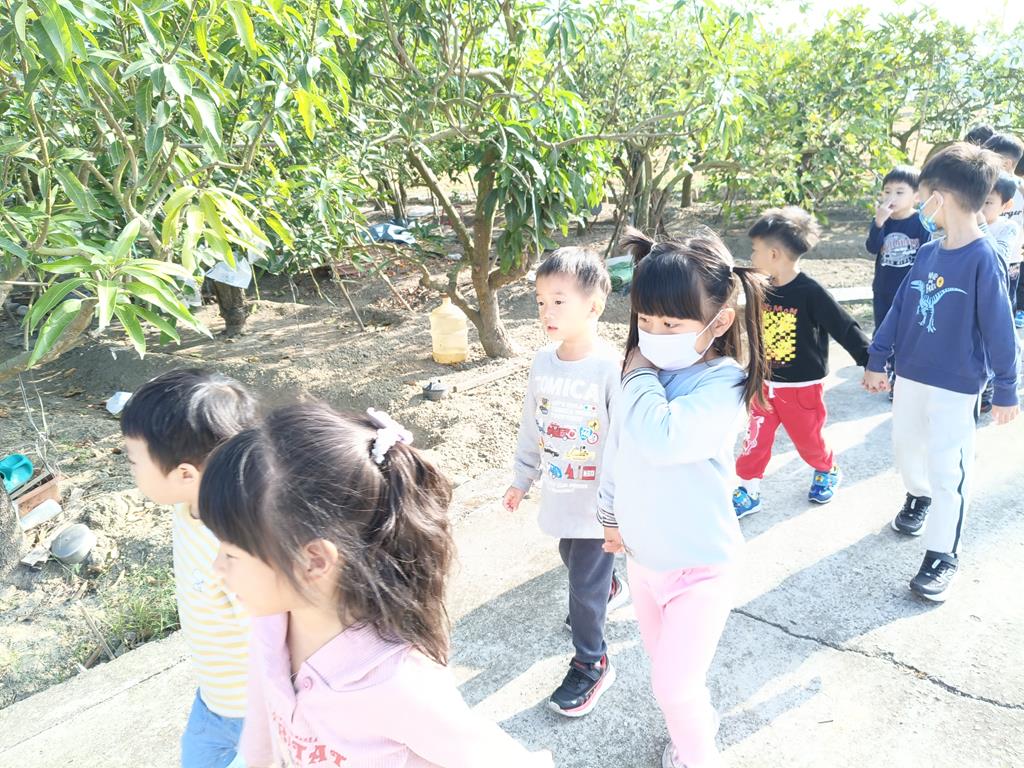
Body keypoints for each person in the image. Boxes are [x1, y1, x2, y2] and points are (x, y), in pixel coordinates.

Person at [199, 403, 553, 767]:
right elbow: (262, 724)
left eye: (231, 554)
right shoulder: (271, 622)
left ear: (314, 561)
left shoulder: (399, 684)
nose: (216, 568)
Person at [598, 227, 769, 768]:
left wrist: (638, 376)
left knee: (673, 685)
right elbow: (618, 447)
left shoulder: (722, 383)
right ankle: (693, 727)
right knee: (670, 679)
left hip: (701, 568)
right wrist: (609, 514)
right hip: (645, 563)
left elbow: (662, 438)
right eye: (645, 320)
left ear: (720, 321)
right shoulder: (642, 376)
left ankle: (700, 754)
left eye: (671, 324)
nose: (653, 334)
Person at [863, 142, 1020, 602]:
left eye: (923, 196)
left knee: (948, 467)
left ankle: (941, 554)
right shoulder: (929, 252)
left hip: (956, 384)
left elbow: (1000, 328)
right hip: (911, 375)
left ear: (939, 198)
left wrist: (1006, 388)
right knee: (906, 448)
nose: (920, 205)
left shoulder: (984, 257)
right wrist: (877, 357)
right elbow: (900, 308)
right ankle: (918, 495)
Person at [502, 247, 627, 717]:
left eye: (559, 301)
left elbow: (623, 444)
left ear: (593, 307)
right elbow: (532, 424)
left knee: (583, 586)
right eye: (540, 302)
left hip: (599, 505)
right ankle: (607, 587)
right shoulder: (543, 363)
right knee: (569, 554)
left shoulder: (610, 368)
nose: (546, 312)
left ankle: (592, 662)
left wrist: (618, 508)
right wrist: (522, 477)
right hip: (560, 495)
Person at [120, 369, 258, 768]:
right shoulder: (188, 507)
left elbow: (268, 634)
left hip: (256, 712)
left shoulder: (234, 544)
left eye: (133, 459)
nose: (130, 468)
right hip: (213, 702)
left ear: (185, 474)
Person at [732, 207, 870, 517]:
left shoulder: (811, 292)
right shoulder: (760, 287)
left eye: (755, 250)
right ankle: (748, 490)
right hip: (764, 386)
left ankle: (827, 468)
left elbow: (844, 326)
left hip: (801, 388)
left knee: (809, 442)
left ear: (774, 254)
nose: (751, 257)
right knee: (754, 440)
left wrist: (870, 361)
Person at [865, 165, 931, 391]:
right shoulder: (882, 220)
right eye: (887, 191)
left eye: (899, 192)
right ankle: (882, 370)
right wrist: (878, 223)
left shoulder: (921, 221)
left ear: (917, 197)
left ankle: (901, 376)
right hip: (883, 288)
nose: (891, 197)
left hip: (910, 290)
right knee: (883, 330)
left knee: (906, 332)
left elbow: (927, 254)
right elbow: (872, 247)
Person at [982, 133, 1024, 329]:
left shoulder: (1021, 191)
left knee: (1005, 301)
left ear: (1006, 164)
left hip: (1011, 260)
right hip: (983, 254)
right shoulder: (985, 187)